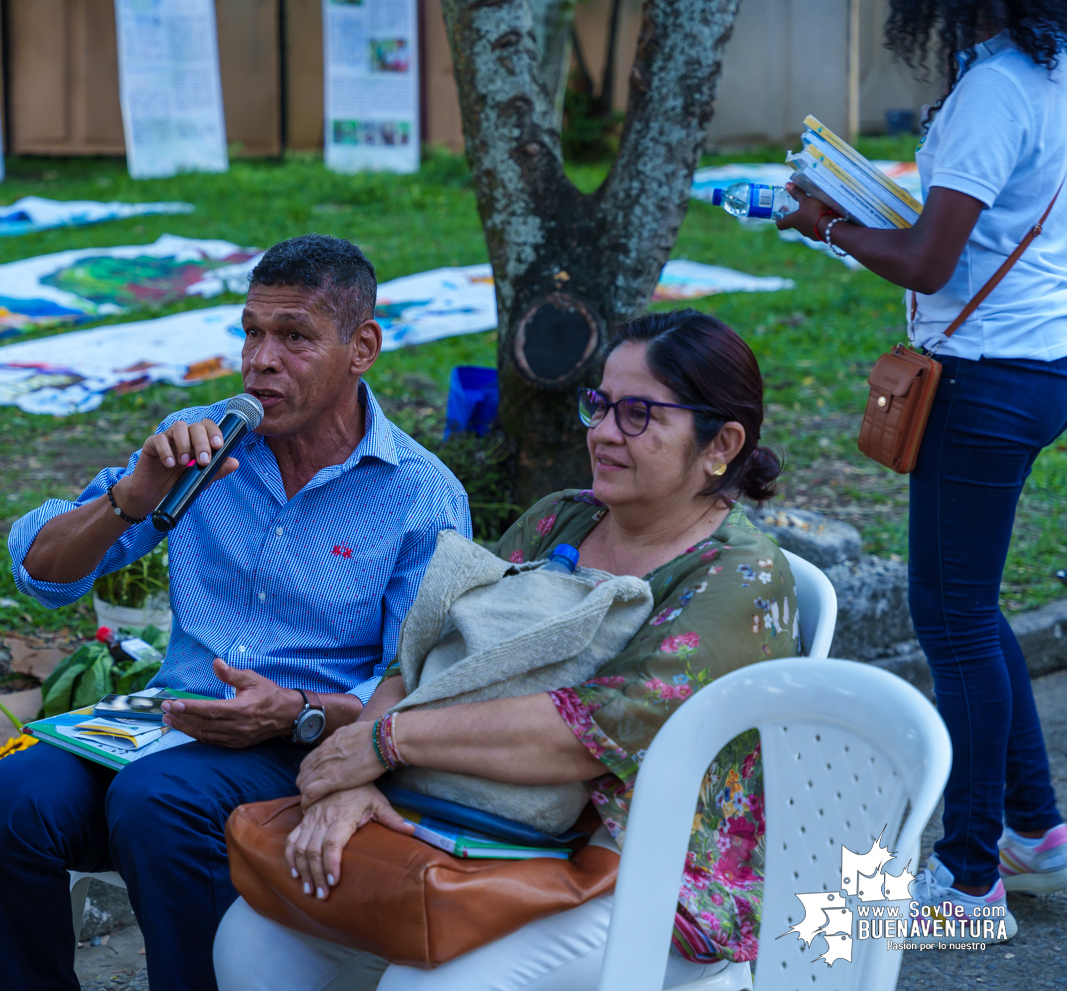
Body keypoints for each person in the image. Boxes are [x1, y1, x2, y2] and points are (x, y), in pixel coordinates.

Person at [214, 310, 796, 991]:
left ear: (721, 442)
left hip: (640, 866)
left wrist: (384, 745)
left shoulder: (740, 576)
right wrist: (356, 782)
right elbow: (427, 652)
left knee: (427, 987)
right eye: (601, 405)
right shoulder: (561, 519)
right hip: (474, 827)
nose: (604, 433)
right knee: (251, 944)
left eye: (638, 414)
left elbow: (587, 735)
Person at [0, 234, 471, 991]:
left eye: (294, 337)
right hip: (166, 724)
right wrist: (129, 499)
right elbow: (43, 574)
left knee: (155, 803)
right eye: (251, 332)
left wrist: (293, 712)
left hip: (302, 740)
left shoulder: (421, 497)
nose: (261, 359)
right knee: (5, 803)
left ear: (362, 347)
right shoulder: (203, 447)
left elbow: (412, 682)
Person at [776, 0, 1067, 928]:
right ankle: (1034, 831)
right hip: (1039, 361)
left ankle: (971, 878)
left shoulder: (996, 88)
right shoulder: (1050, 68)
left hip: (986, 381)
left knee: (949, 622)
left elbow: (929, 262)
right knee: (969, 613)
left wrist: (822, 224)